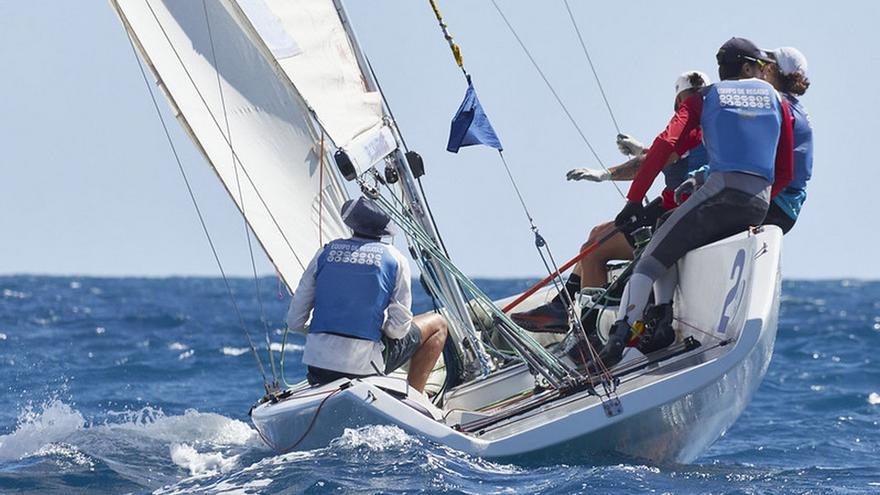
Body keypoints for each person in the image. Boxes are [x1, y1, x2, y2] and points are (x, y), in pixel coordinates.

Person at [590, 37, 794, 369]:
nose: (763, 72)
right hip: (758, 204)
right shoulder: (777, 100)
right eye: (760, 66)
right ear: (747, 68)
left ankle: (618, 341)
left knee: (648, 262)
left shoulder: (705, 98)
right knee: (672, 235)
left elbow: (665, 143)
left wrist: (635, 200)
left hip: (719, 197)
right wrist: (759, 198)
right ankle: (662, 318)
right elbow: (785, 170)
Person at [511, 71, 711, 338]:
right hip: (680, 206)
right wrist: (642, 150)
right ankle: (561, 306)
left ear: (678, 100)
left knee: (593, 251)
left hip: (675, 213)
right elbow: (669, 157)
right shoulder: (712, 122)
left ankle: (587, 336)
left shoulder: (688, 120)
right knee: (597, 233)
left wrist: (604, 174)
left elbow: (653, 160)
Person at [286, 196, 448, 393]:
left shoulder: (324, 253)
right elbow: (398, 330)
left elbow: (295, 322)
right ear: (384, 230)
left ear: (352, 224)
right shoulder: (395, 259)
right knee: (438, 324)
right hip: (362, 367)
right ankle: (414, 397)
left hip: (317, 367)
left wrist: (325, 332)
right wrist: (380, 330)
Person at [761, 47, 813, 233]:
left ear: (774, 70)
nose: (762, 67)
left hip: (773, 202)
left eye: (767, 63)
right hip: (788, 210)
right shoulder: (796, 107)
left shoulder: (775, 104)